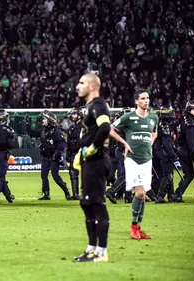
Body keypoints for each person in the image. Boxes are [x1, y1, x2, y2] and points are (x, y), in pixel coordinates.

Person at [72, 73, 112, 262]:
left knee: (97, 204)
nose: (77, 86)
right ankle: (92, 248)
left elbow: (105, 128)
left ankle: (102, 252)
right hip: (90, 162)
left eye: (81, 83)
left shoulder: (98, 105)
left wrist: (91, 149)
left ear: (93, 87)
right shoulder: (90, 106)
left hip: (96, 161)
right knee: (86, 203)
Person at [110, 89, 158, 240]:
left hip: (147, 159)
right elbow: (110, 129)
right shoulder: (128, 117)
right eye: (143, 99)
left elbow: (154, 131)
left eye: (147, 98)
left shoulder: (153, 117)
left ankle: (139, 227)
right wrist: (124, 143)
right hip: (132, 160)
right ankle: (133, 227)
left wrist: (151, 141)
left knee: (143, 196)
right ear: (136, 101)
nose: (146, 101)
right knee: (140, 193)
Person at [25, 110, 71, 200]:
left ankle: (66, 190)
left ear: (50, 120)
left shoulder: (57, 132)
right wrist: (27, 123)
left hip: (54, 157)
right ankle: (46, 194)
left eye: (45, 119)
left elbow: (63, 144)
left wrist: (57, 152)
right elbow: (31, 133)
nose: (43, 120)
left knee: (55, 176)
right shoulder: (43, 130)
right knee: (43, 175)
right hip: (45, 157)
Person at [151, 106, 180, 203]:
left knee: (162, 174)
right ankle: (160, 196)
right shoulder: (165, 125)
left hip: (156, 152)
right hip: (164, 153)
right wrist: (173, 155)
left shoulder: (157, 123)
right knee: (168, 175)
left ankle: (170, 195)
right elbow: (167, 143)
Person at [66, 108, 83, 200]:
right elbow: (68, 143)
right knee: (73, 173)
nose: (72, 116)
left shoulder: (85, 127)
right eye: (72, 114)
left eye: (74, 114)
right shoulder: (71, 128)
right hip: (73, 153)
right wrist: (68, 157)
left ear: (79, 115)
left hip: (84, 152)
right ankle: (75, 194)